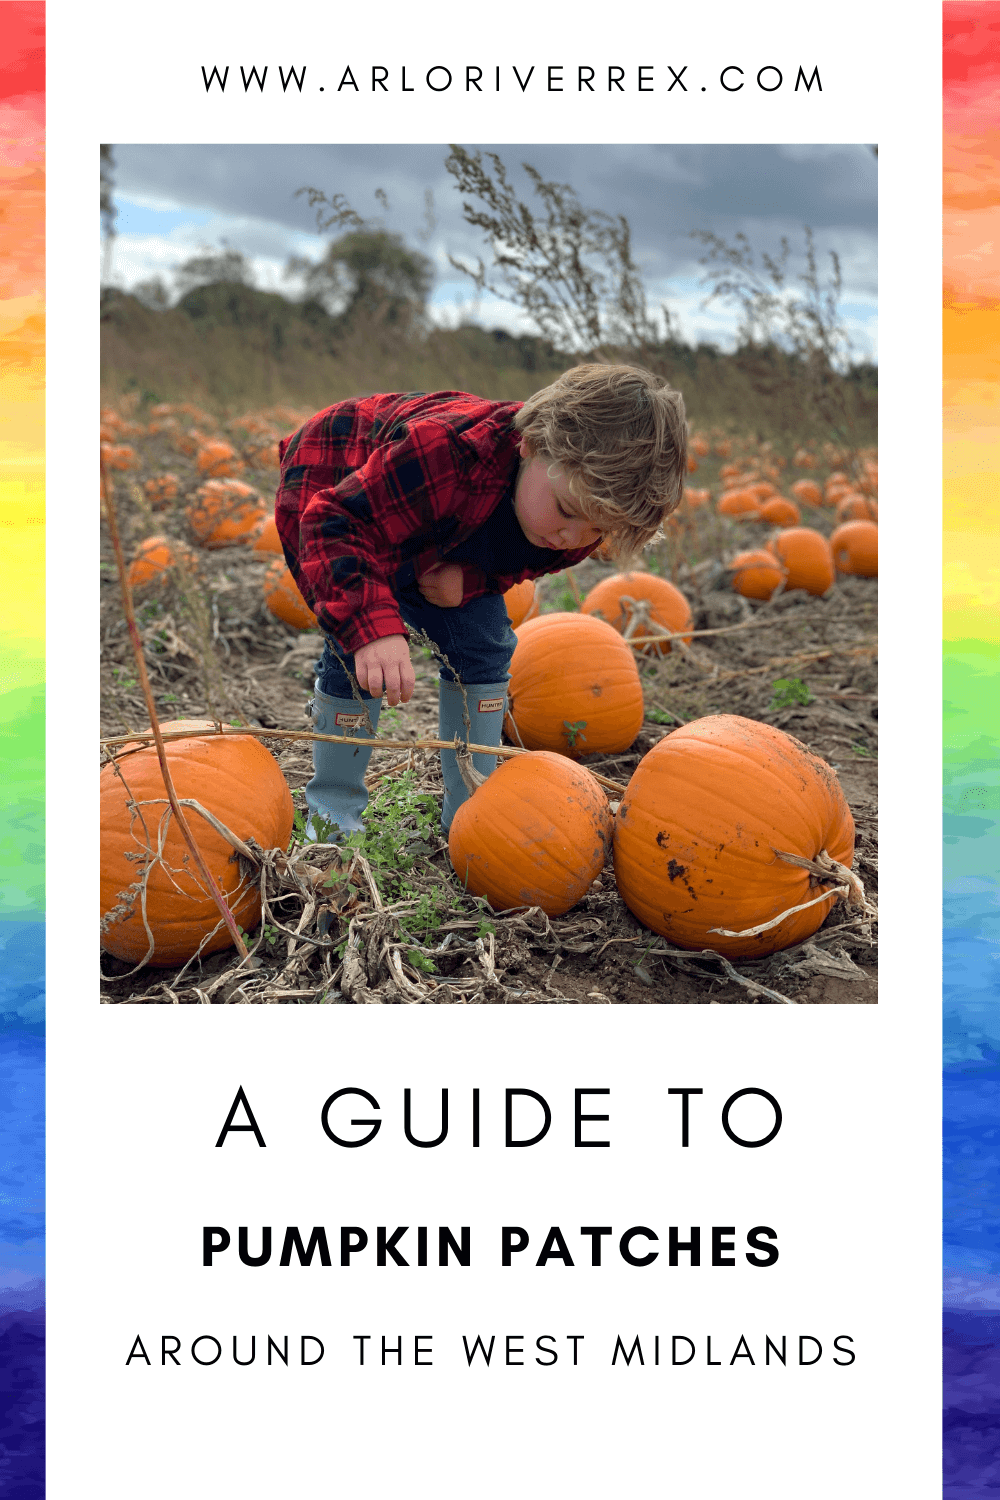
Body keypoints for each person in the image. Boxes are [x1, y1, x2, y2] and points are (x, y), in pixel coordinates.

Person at [274, 362, 688, 840]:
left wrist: (468, 580)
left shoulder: (572, 525)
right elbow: (333, 522)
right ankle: (332, 815)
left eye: (596, 529)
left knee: (484, 644)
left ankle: (472, 817)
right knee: (355, 649)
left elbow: (520, 562)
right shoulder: (445, 452)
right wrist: (373, 628)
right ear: (531, 444)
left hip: (442, 521)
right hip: (336, 488)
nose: (571, 538)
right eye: (567, 511)